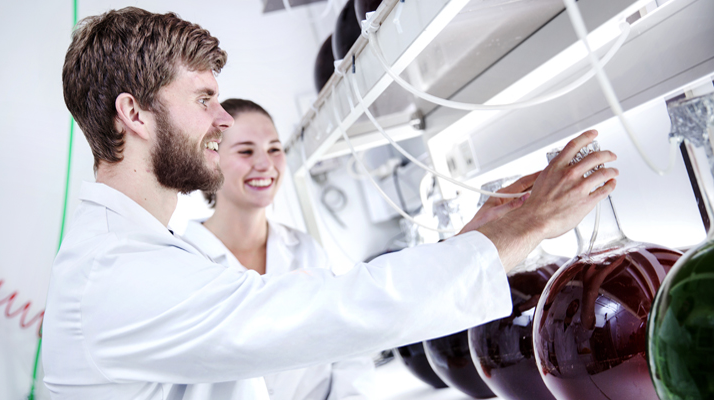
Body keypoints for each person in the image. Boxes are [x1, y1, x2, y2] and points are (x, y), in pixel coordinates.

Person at [41, 7, 619, 400]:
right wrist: (520, 231)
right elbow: (328, 311)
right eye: (204, 99)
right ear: (135, 114)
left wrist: (473, 241)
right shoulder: (114, 277)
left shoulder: (149, 254)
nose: (221, 119)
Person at [182, 98, 375, 400]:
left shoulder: (307, 251)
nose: (266, 164)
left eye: (274, 149)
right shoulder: (186, 262)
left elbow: (348, 345)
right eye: (246, 151)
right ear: (211, 158)